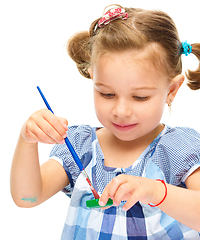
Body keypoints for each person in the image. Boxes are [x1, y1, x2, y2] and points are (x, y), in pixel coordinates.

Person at [11, 4, 200, 239]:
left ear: (171, 90)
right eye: (107, 94)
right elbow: (26, 198)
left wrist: (156, 191)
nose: (120, 111)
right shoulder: (81, 146)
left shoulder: (178, 149)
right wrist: (27, 141)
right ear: (93, 79)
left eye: (140, 97)